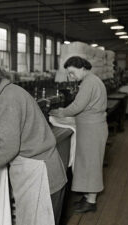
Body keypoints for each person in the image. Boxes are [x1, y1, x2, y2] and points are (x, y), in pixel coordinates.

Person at [0, 57, 67, 225]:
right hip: (41, 171)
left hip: (41, 177)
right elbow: (9, 126)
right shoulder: (6, 93)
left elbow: (6, 148)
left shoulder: (7, 99)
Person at [49, 56, 108, 213]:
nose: (72, 77)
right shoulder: (91, 80)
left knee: (92, 164)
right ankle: (88, 196)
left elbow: (76, 107)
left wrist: (60, 112)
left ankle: (92, 201)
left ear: (82, 68)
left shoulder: (89, 82)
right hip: (91, 127)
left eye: (73, 73)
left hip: (92, 129)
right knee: (87, 163)